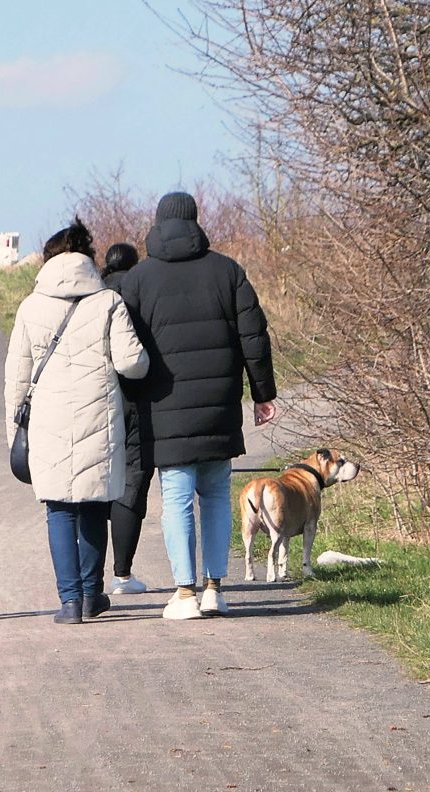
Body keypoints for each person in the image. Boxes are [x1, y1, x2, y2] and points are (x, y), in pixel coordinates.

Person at [120, 192, 277, 620]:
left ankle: (184, 592)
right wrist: (263, 394)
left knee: (175, 500)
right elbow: (254, 337)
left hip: (163, 408)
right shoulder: (228, 271)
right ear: (195, 221)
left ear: (156, 223)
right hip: (218, 406)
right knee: (214, 497)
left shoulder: (137, 279)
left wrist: (126, 400)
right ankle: (214, 589)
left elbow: (122, 346)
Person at [5, 218, 148, 624]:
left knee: (59, 511)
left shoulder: (31, 307)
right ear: (87, 259)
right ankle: (90, 595)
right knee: (92, 507)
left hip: (48, 423)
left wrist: (13, 433)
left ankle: (69, 602)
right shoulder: (108, 303)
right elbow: (131, 363)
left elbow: (16, 377)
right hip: (97, 419)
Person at [100, 242, 154, 595]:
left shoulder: (94, 294)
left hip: (95, 397)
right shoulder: (141, 291)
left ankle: (88, 578)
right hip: (137, 398)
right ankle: (122, 575)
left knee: (94, 483)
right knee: (131, 482)